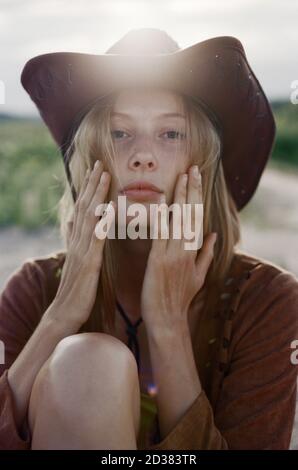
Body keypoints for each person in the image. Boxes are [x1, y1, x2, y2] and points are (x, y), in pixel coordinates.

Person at [0, 28, 297, 450]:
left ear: (204, 162)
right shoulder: (33, 288)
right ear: (90, 159)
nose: (143, 155)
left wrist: (169, 325)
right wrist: (60, 316)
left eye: (171, 134)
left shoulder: (269, 299)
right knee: (88, 362)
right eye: (119, 133)